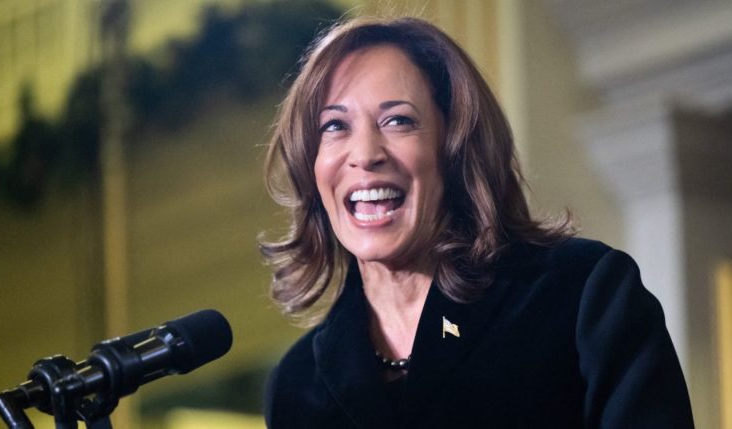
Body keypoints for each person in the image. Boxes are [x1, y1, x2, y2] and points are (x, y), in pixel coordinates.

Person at [260, 16, 694, 428]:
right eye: (335, 126)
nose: (365, 154)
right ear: (311, 165)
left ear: (455, 147)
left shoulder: (578, 295)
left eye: (398, 120)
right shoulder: (298, 384)